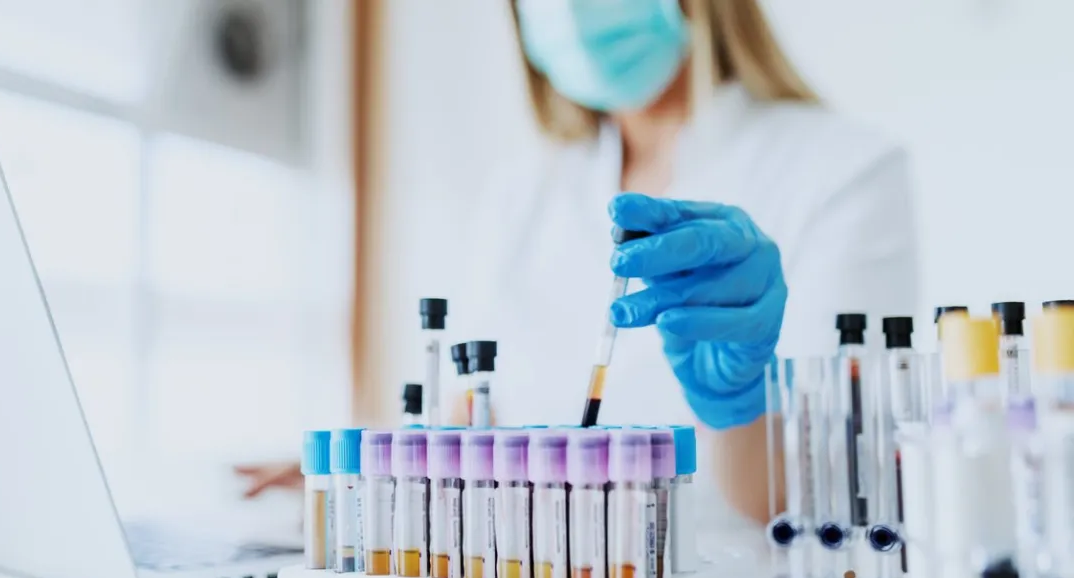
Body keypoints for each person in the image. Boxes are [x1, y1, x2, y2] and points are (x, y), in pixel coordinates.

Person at [238, 0, 918, 525]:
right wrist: (367, 473)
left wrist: (736, 407)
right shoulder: (521, 195)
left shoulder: (845, 172)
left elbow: (823, 493)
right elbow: (476, 421)